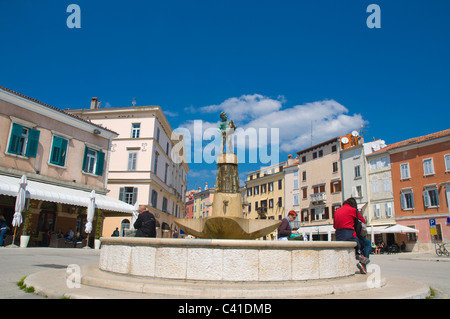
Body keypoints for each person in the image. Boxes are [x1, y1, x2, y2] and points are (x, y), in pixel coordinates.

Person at [333, 197, 370, 274]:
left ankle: (358, 254)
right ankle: (362, 262)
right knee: (367, 243)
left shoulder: (336, 211)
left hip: (338, 236)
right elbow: (363, 222)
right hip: (349, 235)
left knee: (359, 243)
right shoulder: (354, 210)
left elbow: (334, 226)